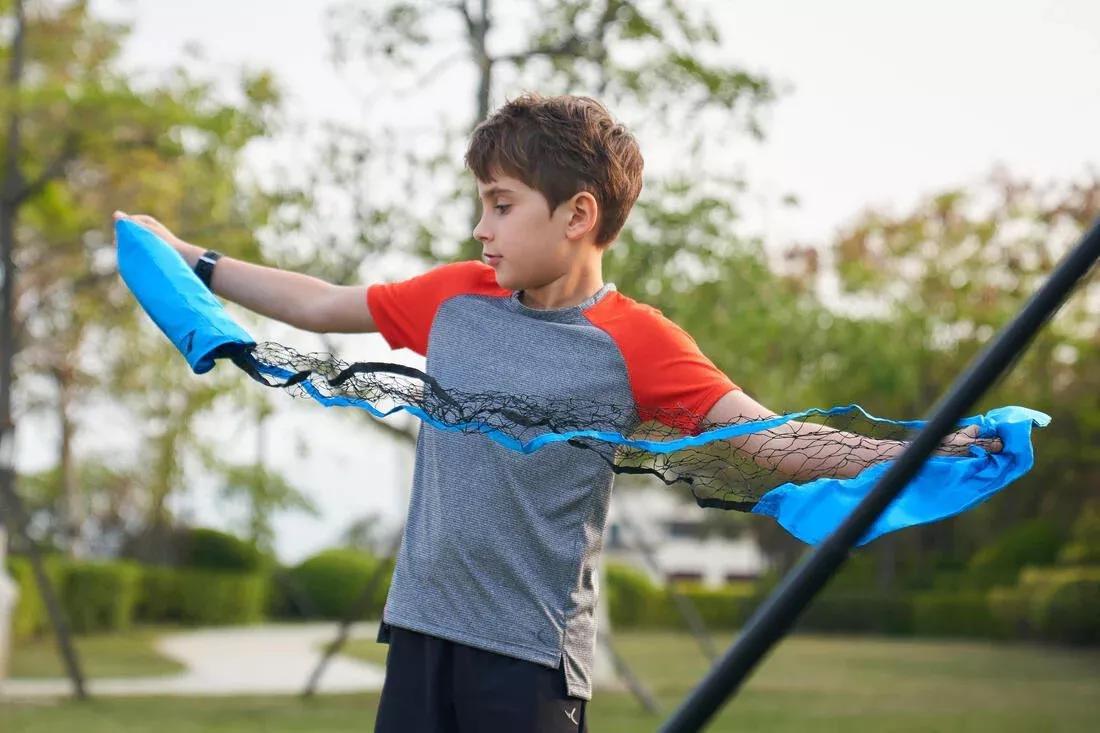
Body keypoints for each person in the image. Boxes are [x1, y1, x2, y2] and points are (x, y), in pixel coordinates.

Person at [114, 92, 999, 732]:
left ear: (578, 215)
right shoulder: (454, 299)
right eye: (481, 205)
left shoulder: (637, 341)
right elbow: (316, 304)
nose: (480, 228)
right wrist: (190, 256)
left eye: (500, 205)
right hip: (420, 632)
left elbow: (768, 439)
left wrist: (922, 448)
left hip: (527, 664)